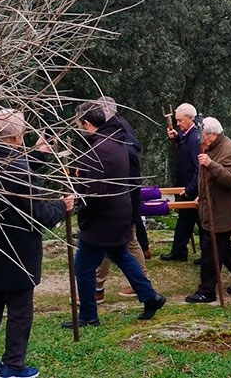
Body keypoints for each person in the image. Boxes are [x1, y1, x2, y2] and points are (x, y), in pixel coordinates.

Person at [0, 109, 74, 378]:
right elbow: (39, 213)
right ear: (17, 136)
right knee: (19, 307)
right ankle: (13, 366)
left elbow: (11, 171)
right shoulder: (17, 168)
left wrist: (37, 155)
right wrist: (63, 206)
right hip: (17, 249)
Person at [63, 102, 165, 328]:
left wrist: (79, 199)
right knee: (122, 256)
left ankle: (89, 315)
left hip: (102, 218)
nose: (79, 128)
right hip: (118, 212)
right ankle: (150, 297)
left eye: (80, 124)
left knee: (83, 266)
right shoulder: (116, 138)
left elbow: (96, 190)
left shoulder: (98, 148)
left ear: (88, 124)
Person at [185, 117, 231, 303]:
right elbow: (208, 179)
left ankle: (207, 291)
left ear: (213, 134)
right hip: (214, 206)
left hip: (221, 211)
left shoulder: (228, 150)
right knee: (224, 249)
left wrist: (211, 164)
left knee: (211, 252)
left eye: (203, 136)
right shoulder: (213, 147)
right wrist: (202, 194)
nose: (201, 140)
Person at [94, 96, 150, 299]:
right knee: (123, 243)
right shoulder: (118, 129)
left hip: (122, 199)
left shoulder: (119, 134)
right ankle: (140, 285)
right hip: (123, 199)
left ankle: (99, 289)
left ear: (105, 110)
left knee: (120, 242)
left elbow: (128, 171)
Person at [161, 103, 201, 263]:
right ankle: (179, 251)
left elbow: (198, 168)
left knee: (200, 223)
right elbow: (183, 150)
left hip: (192, 188)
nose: (178, 124)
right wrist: (177, 139)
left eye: (180, 121)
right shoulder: (188, 135)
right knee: (185, 219)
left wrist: (190, 189)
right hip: (187, 185)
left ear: (190, 118)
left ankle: (208, 256)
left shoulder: (195, 138)